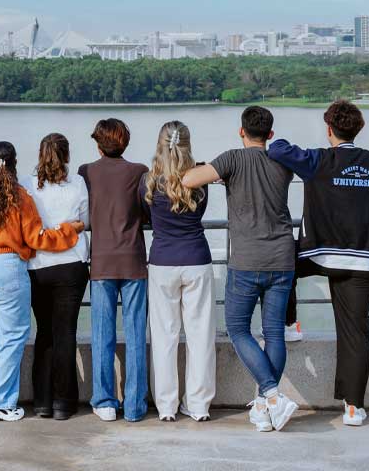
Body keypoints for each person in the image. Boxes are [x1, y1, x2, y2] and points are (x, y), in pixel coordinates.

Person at [268, 100, 369, 427]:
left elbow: (277, 149)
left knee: (281, 263)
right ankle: (354, 408)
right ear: (357, 130)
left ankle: (290, 324)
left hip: (318, 254)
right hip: (361, 262)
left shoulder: (319, 159)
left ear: (329, 129)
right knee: (356, 333)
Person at [182, 106, 299, 432]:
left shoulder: (232, 159)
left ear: (241, 131)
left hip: (247, 260)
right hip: (282, 258)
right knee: (274, 332)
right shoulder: (283, 160)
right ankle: (264, 408)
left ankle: (272, 396)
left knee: (237, 329)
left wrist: (219, 173)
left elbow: (190, 179)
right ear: (271, 134)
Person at [0, 141, 83, 422]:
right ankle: (1, 402)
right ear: (14, 162)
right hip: (6, 266)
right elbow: (37, 238)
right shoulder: (19, 196)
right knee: (14, 334)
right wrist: (70, 230)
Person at [141, 121, 215, 423]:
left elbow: (147, 215)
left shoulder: (148, 180)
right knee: (200, 336)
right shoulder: (200, 178)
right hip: (197, 258)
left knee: (164, 337)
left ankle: (167, 406)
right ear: (187, 143)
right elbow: (202, 211)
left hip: (162, 262)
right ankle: (198, 405)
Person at [78, 119, 149, 423]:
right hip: (133, 260)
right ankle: (133, 406)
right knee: (135, 335)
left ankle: (105, 401)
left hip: (102, 262)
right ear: (126, 143)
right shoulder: (139, 172)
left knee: (102, 334)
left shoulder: (87, 172)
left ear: (98, 144)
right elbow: (147, 212)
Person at [20, 133, 90, 421]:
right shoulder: (78, 184)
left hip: (38, 266)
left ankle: (42, 402)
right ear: (67, 155)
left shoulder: (27, 185)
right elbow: (84, 221)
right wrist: (69, 225)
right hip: (72, 265)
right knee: (66, 333)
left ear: (40, 154)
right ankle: (64, 402)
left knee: (45, 333)